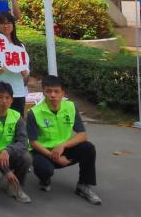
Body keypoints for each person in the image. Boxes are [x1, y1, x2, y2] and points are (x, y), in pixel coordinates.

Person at [27, 75, 102, 205]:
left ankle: (83, 186)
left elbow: (82, 135)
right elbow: (33, 142)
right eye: (48, 91)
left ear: (63, 93)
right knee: (44, 169)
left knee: (88, 148)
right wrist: (53, 156)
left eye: (56, 91)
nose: (53, 95)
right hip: (43, 151)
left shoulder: (70, 107)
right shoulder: (34, 112)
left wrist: (63, 145)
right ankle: (45, 179)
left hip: (64, 149)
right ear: (43, 92)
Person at [0, 12, 30, 114]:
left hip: (18, 92)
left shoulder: (20, 46)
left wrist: (25, 72)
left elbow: (26, 68)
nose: (6, 26)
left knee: (17, 121)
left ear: (13, 25)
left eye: (9, 23)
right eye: (2, 23)